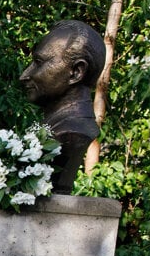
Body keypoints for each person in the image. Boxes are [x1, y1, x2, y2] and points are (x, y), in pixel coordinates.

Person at [19, 20, 106, 194]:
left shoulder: (73, 132)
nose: (24, 75)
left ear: (76, 72)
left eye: (39, 62)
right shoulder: (53, 126)